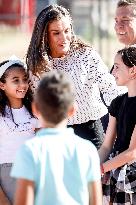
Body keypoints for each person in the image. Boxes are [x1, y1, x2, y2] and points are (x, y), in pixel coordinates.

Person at [26, 4, 125, 149]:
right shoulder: (37, 66)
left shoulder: (85, 55)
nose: (64, 38)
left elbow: (109, 87)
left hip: (90, 130)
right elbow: (36, 107)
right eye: (56, 33)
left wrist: (127, 107)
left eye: (67, 31)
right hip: (54, 134)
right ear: (44, 36)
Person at [11, 70, 103, 205]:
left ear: (35, 109)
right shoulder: (88, 149)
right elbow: (96, 202)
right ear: (72, 110)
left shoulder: (29, 150)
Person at [99, 46, 136, 204]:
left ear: (133, 70)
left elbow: (133, 152)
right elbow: (107, 146)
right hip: (114, 170)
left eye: (117, 67)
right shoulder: (117, 102)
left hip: (132, 175)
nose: (113, 72)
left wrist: (100, 169)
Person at [0, 56, 39, 205]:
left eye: (25, 79)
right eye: (15, 80)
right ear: (2, 85)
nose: (22, 84)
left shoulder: (35, 111)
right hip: (8, 171)